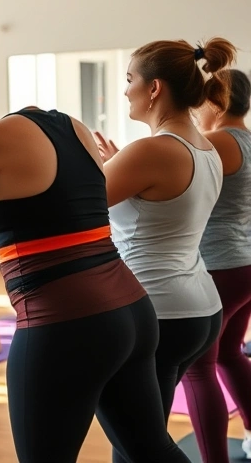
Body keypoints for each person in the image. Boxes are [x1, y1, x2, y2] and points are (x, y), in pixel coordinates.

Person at [0, 106, 188, 462]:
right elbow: (54, 210)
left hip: (64, 322)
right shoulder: (77, 128)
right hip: (131, 310)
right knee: (152, 449)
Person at [95, 39, 233, 462]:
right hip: (197, 310)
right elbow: (161, 204)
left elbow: (75, 208)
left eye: (129, 80)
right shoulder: (204, 146)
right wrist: (124, 164)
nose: (125, 90)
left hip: (158, 312)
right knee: (138, 438)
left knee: (142, 444)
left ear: (154, 89)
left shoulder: (153, 151)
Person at [175, 68, 251, 461]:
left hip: (220, 265)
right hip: (245, 264)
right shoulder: (248, 141)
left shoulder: (216, 142)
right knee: (229, 354)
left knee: (197, 368)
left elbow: (176, 185)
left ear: (217, 103)